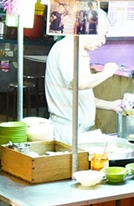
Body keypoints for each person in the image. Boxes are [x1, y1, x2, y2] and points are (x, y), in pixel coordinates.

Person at [45, 9, 125, 141]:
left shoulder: (77, 51)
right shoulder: (67, 49)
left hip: (76, 129)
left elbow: (81, 96)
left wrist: (111, 105)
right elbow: (79, 83)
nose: (104, 41)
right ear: (90, 28)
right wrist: (107, 73)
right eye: (103, 34)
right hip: (68, 131)